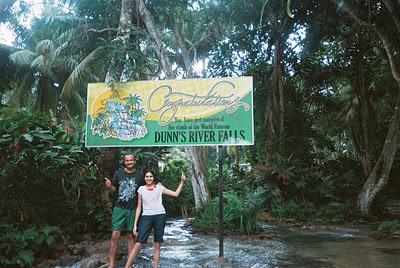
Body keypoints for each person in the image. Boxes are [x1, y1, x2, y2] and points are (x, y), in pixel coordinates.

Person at [124, 170, 186, 268]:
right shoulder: (141, 189)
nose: (149, 178)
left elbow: (175, 194)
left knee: (157, 244)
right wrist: (135, 225)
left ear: (154, 177)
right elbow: (139, 207)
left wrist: (182, 182)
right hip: (146, 217)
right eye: (147, 176)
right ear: (144, 178)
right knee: (138, 243)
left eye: (151, 176)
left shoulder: (159, 188)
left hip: (160, 216)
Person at [104, 154, 144, 268]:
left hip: (133, 208)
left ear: (134, 161)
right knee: (115, 234)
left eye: (131, 160)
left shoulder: (140, 175)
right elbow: (114, 189)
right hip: (119, 208)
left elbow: (143, 190)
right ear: (124, 162)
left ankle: (129, 264)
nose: (129, 162)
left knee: (131, 236)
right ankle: (111, 264)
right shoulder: (119, 173)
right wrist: (109, 186)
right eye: (127, 160)